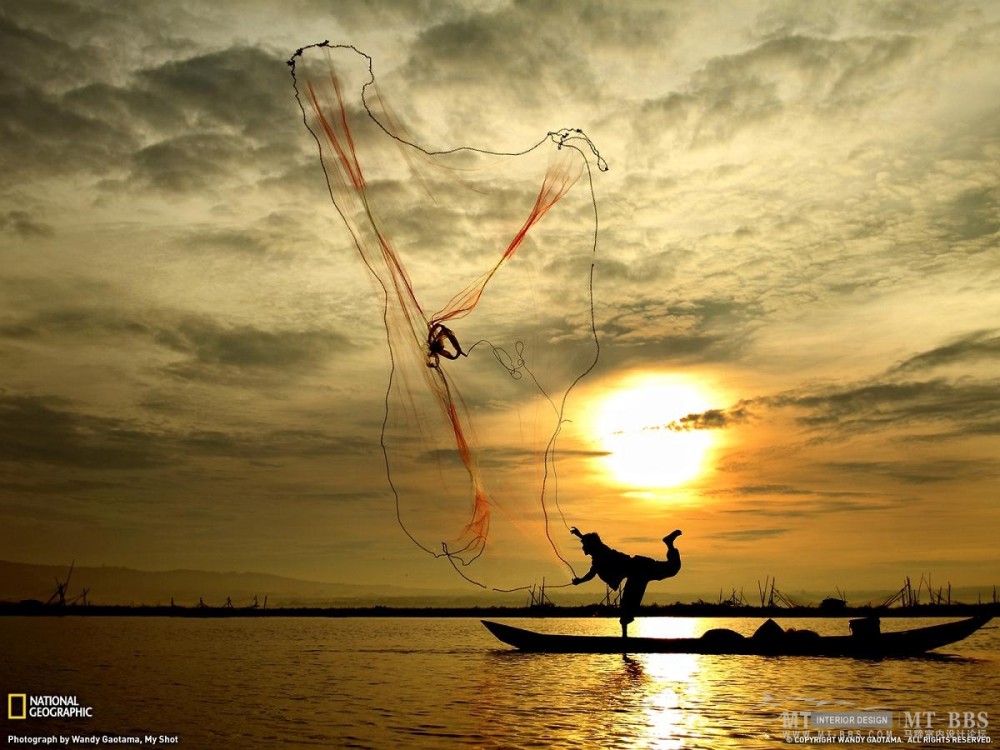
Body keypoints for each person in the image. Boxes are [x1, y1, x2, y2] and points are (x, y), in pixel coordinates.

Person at [570, 527, 682, 637]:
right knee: (626, 608)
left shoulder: (600, 555)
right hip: (637, 570)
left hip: (639, 569)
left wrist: (579, 581)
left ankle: (669, 543)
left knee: (672, 568)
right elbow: (592, 542)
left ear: (590, 546)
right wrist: (579, 535)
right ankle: (624, 638)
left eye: (584, 545)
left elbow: (590, 575)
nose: (583, 547)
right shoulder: (599, 553)